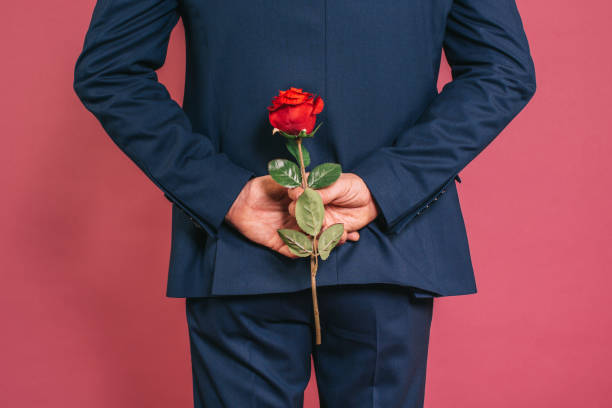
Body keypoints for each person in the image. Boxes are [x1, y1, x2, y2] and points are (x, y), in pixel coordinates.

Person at [73, 0, 536, 406]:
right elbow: (502, 70)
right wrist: (387, 185)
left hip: (242, 251)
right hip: (384, 245)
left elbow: (109, 71)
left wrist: (222, 192)